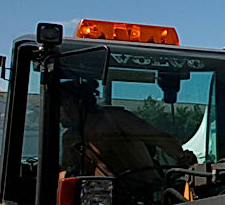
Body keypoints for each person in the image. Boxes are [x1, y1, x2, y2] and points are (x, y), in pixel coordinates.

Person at [59, 79, 195, 185]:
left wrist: (182, 157)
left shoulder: (115, 118)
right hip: (104, 202)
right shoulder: (70, 138)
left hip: (145, 193)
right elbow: (67, 174)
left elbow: (160, 138)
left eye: (56, 108)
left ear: (67, 105)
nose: (56, 117)